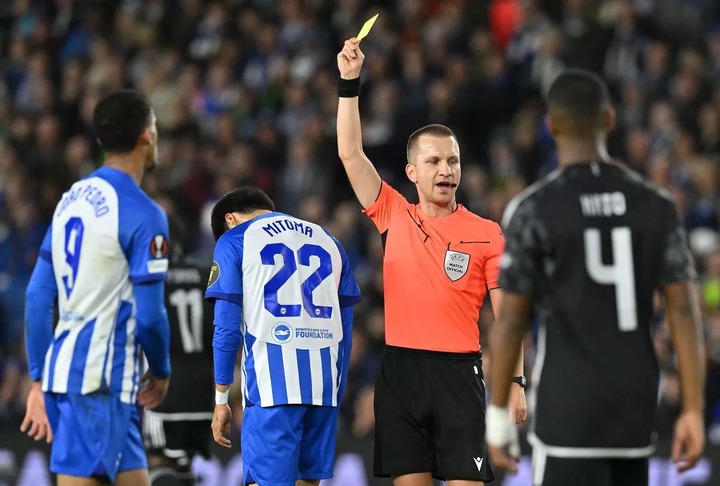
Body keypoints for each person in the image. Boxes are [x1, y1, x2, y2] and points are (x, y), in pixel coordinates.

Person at [487, 69, 706, 486]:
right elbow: (682, 308)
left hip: (567, 410)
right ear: (609, 119)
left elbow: (512, 320)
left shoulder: (534, 209)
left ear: (551, 127)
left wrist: (498, 415)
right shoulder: (656, 205)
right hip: (634, 408)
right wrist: (692, 408)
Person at [336, 37, 527, 485]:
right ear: (412, 172)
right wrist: (349, 83)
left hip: (460, 376)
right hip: (400, 375)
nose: (446, 170)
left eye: (453, 161)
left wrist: (516, 383)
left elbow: (508, 320)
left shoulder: (486, 233)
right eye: (435, 161)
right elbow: (349, 153)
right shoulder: (392, 213)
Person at [21, 89, 172, 486]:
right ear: (146, 136)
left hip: (76, 376)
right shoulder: (144, 213)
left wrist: (38, 378)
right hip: (99, 381)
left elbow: (38, 297)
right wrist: (161, 370)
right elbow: (152, 317)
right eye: (154, 125)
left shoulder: (71, 200)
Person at [206, 186, 362, 486]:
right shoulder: (329, 241)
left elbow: (225, 328)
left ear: (230, 219)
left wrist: (222, 398)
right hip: (323, 389)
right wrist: (335, 395)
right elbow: (345, 334)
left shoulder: (234, 239)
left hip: (272, 388)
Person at [143, 217, 214, 486]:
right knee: (184, 465)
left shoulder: (152, 279)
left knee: (158, 461)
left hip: (166, 383)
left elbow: (147, 324)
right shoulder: (204, 275)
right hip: (204, 387)